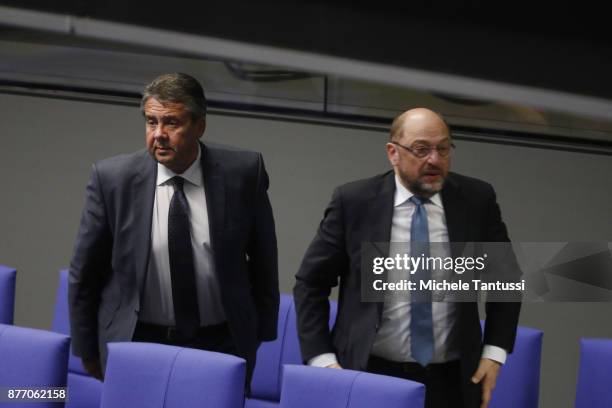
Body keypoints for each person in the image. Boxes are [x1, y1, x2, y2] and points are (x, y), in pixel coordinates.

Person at [293, 108, 521, 408]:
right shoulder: (355, 202)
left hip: (451, 379)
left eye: (443, 148)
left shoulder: (476, 200)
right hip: (369, 372)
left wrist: (494, 352)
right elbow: (311, 283)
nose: (435, 160)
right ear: (393, 153)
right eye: (421, 149)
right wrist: (322, 360)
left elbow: (505, 278)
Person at [69, 73, 279, 384]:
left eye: (172, 123)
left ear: (199, 126)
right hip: (137, 341)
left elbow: (264, 260)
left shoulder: (243, 173)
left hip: (221, 343)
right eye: (151, 122)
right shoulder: (113, 180)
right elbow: (85, 272)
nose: (159, 134)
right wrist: (87, 350)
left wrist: (258, 334)